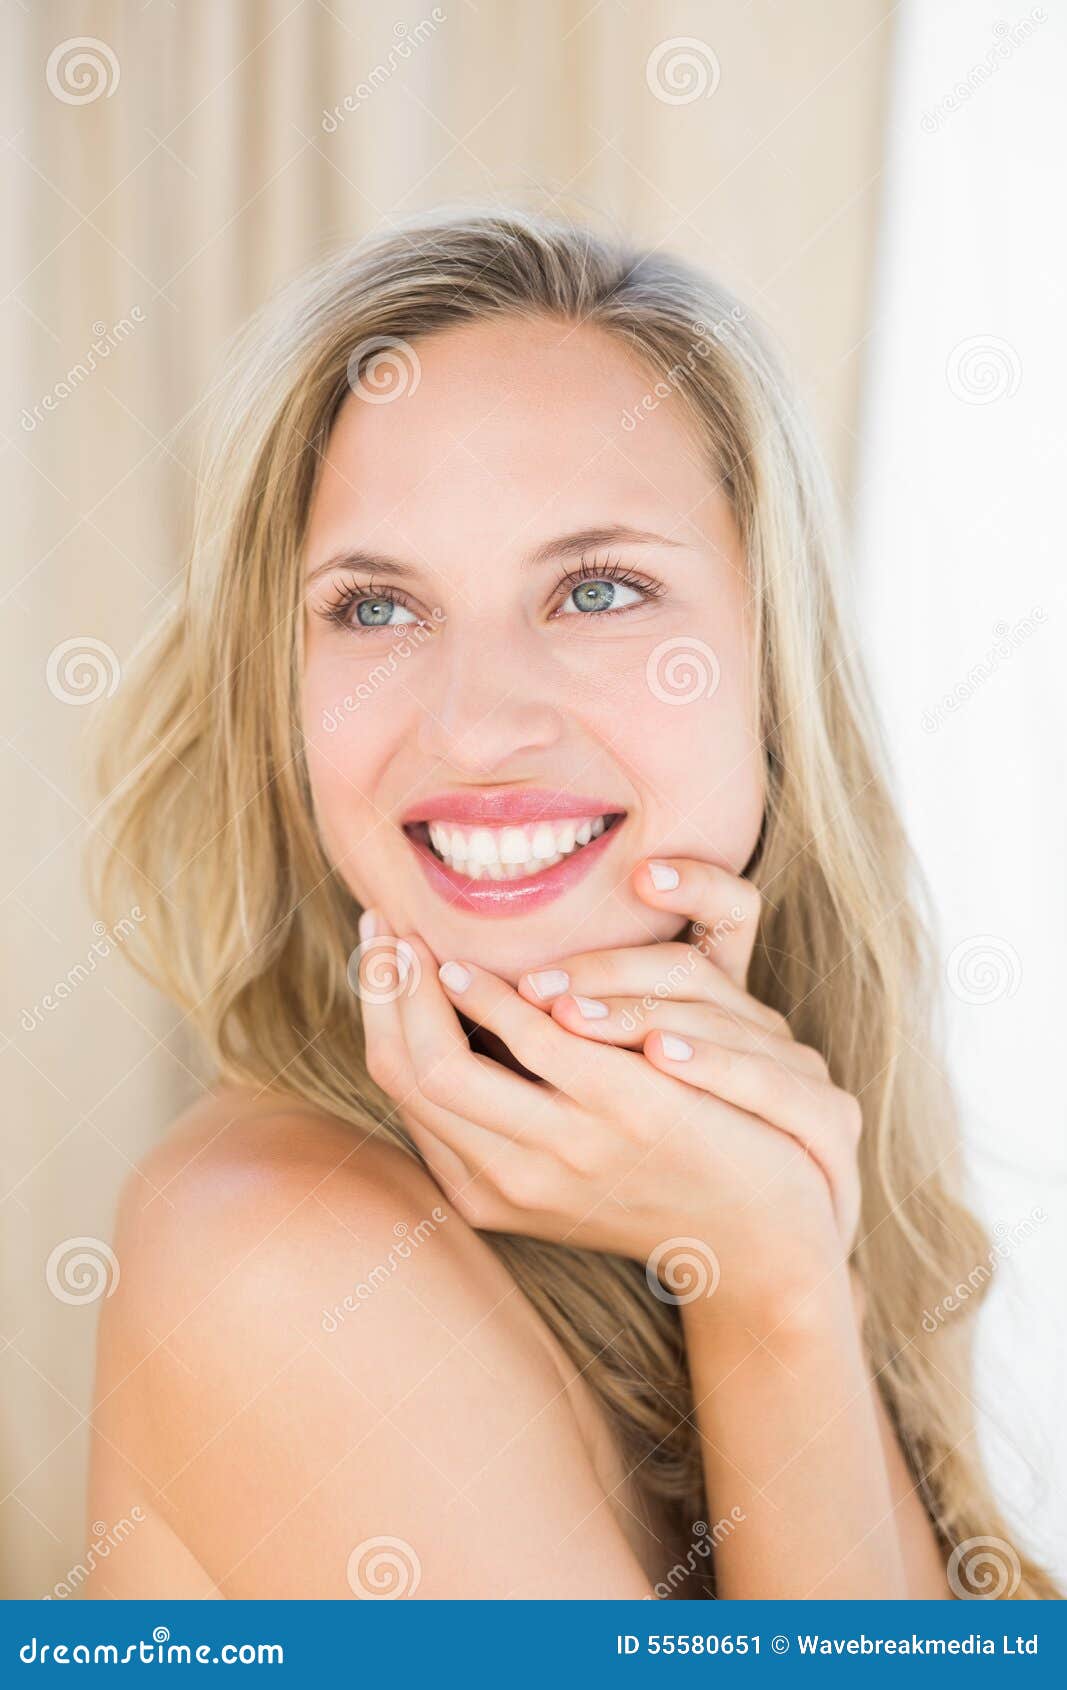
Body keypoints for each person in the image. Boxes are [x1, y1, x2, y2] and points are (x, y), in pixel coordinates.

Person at [84, 207, 1055, 1600]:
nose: (478, 725)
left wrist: (767, 1250)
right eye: (374, 607)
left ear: (774, 668)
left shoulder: (743, 1149)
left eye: (599, 589)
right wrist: (767, 1284)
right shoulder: (278, 1252)